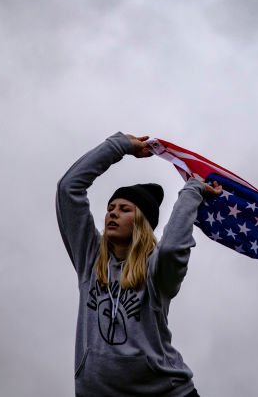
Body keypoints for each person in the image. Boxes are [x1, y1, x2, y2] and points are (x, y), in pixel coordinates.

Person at [56, 132, 221, 397]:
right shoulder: (90, 259)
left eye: (124, 209)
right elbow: (68, 189)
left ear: (141, 223)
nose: (113, 212)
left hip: (166, 392)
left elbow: (171, 248)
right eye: (111, 207)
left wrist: (192, 192)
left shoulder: (156, 272)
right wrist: (119, 146)